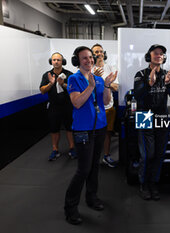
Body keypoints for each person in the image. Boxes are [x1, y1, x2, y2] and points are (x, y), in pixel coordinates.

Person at [64, 46, 117, 225]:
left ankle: (92, 198)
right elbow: (77, 103)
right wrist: (91, 86)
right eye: (84, 58)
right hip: (83, 130)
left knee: (94, 166)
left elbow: (105, 101)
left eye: (90, 57)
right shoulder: (74, 78)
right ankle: (70, 208)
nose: (89, 60)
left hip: (99, 128)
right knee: (83, 169)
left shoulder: (99, 78)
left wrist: (107, 85)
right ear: (77, 61)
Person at [133, 44, 170, 201]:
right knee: (147, 154)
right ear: (149, 56)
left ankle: (153, 183)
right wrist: (148, 84)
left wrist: (169, 83)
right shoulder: (140, 74)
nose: (159, 55)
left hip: (162, 116)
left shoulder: (167, 75)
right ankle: (143, 183)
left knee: (159, 153)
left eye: (161, 54)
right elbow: (137, 96)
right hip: (144, 115)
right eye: (156, 53)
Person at [40, 52, 76, 161]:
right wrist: (51, 84)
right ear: (51, 61)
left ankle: (72, 148)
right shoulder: (47, 75)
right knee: (54, 129)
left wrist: (62, 84)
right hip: (54, 107)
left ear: (62, 61)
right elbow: (42, 90)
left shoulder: (69, 74)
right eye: (54, 60)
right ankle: (55, 150)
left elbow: (73, 89)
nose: (56, 62)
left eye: (58, 60)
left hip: (67, 106)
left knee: (69, 128)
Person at [92, 43, 119, 168]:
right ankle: (92, 158)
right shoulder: (88, 70)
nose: (99, 54)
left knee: (107, 133)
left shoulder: (110, 67)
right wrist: (102, 81)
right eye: (96, 52)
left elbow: (116, 87)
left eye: (101, 51)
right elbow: (87, 89)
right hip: (92, 108)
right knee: (93, 133)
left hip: (108, 107)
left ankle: (106, 156)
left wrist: (101, 81)